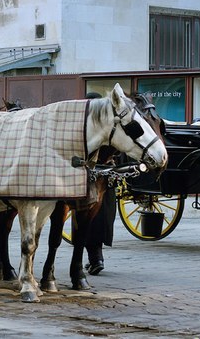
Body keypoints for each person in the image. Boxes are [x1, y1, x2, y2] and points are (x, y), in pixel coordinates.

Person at [84, 92, 117, 275]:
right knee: (99, 216)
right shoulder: (106, 124)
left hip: (97, 175)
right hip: (100, 175)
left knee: (93, 217)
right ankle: (95, 257)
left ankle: (95, 257)